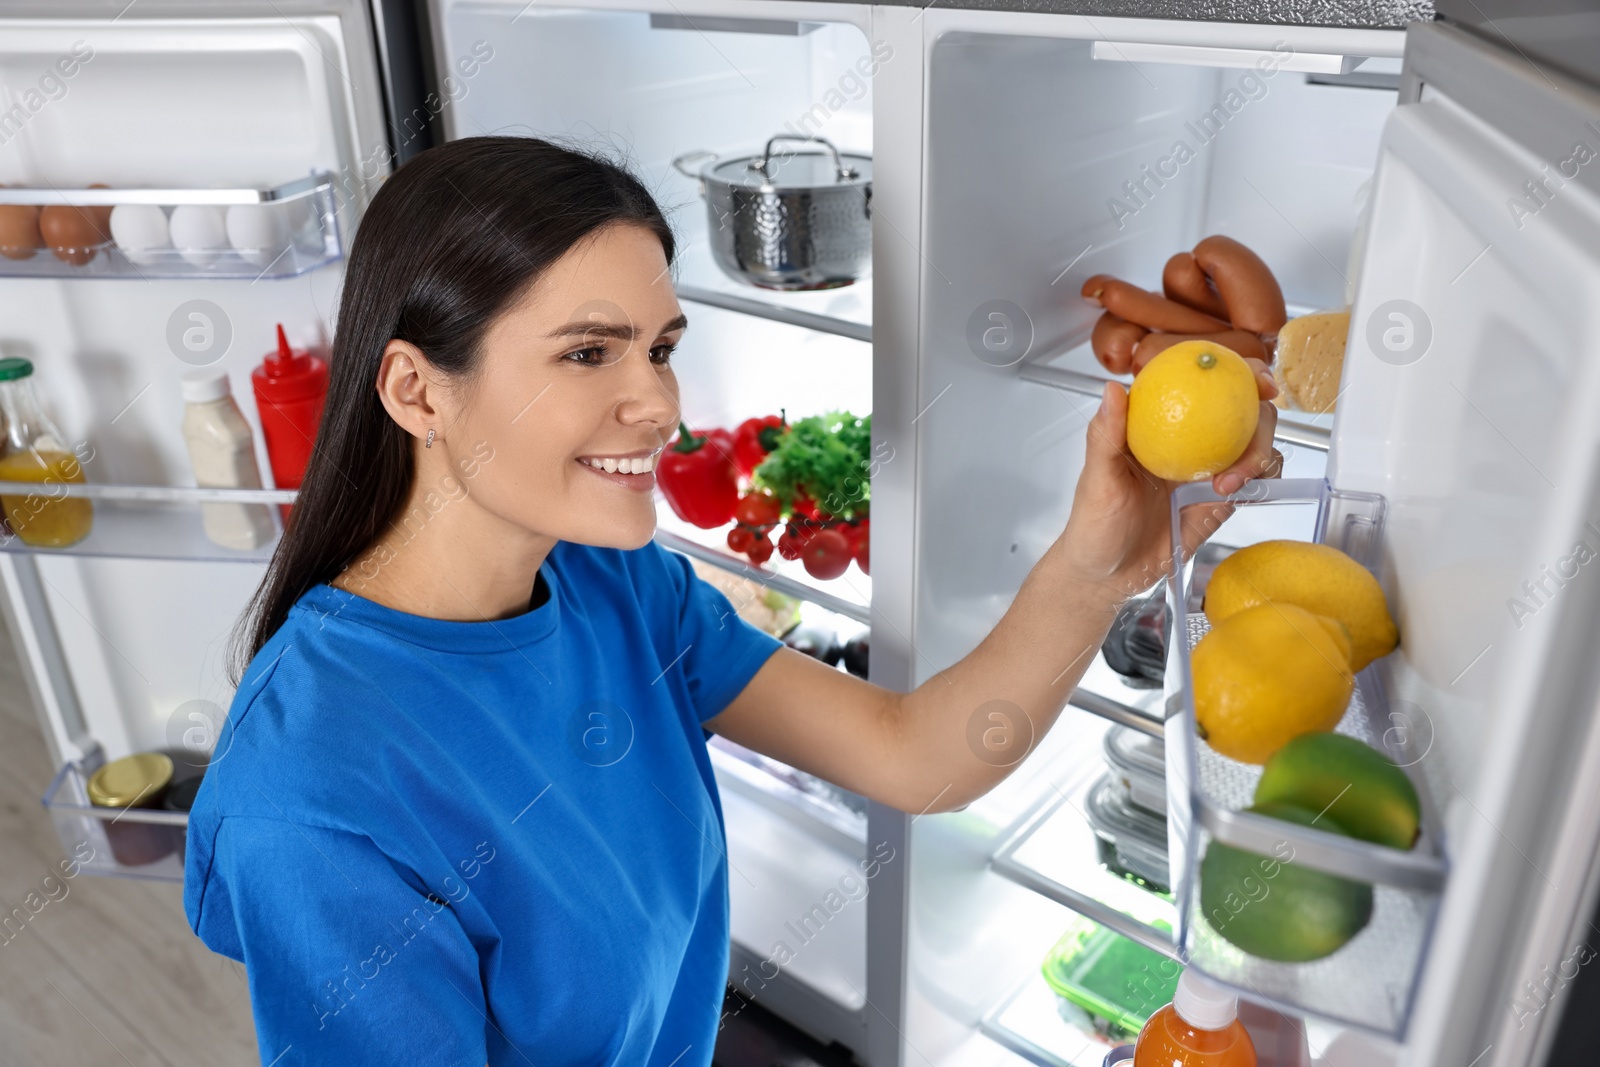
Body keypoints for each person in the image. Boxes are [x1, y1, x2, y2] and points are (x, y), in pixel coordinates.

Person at [183, 135, 1279, 1066]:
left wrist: (1097, 561)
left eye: (659, 349)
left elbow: (916, 753)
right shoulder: (312, 805)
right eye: (587, 352)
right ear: (417, 389)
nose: (658, 403)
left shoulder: (613, 585)